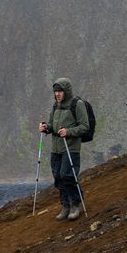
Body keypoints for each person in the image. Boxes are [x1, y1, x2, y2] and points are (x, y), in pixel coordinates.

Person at [38, 78, 89, 221]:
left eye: (60, 91)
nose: (57, 94)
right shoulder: (56, 106)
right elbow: (53, 125)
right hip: (56, 148)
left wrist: (69, 132)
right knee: (58, 177)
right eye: (55, 92)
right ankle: (65, 205)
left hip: (70, 147)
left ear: (66, 91)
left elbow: (85, 126)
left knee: (67, 175)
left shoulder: (77, 104)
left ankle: (75, 204)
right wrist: (46, 127)